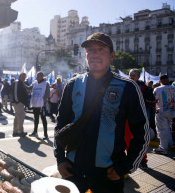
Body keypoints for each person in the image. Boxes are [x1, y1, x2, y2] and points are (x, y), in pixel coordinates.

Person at [54, 33, 149, 193]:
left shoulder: (128, 87)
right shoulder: (72, 85)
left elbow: (142, 132)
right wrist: (60, 159)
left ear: (112, 55)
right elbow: (61, 124)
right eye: (90, 50)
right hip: (73, 171)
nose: (94, 54)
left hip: (108, 175)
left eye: (101, 49)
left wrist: (126, 166)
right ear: (85, 56)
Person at [128, 68, 156, 169]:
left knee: (140, 139)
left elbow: (152, 100)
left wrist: (143, 103)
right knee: (125, 140)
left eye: (133, 75)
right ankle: (128, 162)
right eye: (130, 75)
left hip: (140, 118)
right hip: (126, 118)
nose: (131, 77)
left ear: (138, 77)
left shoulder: (144, 88)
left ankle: (142, 161)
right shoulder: (125, 85)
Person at [152, 74, 175, 155]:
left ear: (160, 81)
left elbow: (153, 100)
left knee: (162, 130)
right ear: (168, 80)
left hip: (162, 112)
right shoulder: (173, 88)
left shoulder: (158, 89)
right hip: (172, 111)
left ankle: (163, 148)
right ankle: (171, 144)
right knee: (167, 128)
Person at [29, 72, 50, 140]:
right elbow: (29, 88)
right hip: (35, 104)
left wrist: (42, 101)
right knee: (36, 119)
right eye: (37, 76)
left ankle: (45, 134)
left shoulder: (46, 84)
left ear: (42, 76)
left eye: (38, 76)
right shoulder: (34, 83)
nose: (37, 77)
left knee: (43, 119)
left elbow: (47, 94)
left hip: (41, 105)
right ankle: (35, 131)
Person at [11, 73, 28, 137]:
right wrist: (17, 101)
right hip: (18, 103)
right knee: (21, 116)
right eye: (22, 77)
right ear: (19, 76)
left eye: (24, 77)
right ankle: (20, 131)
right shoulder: (17, 82)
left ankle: (15, 131)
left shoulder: (20, 83)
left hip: (18, 102)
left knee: (17, 117)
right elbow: (15, 92)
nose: (23, 78)